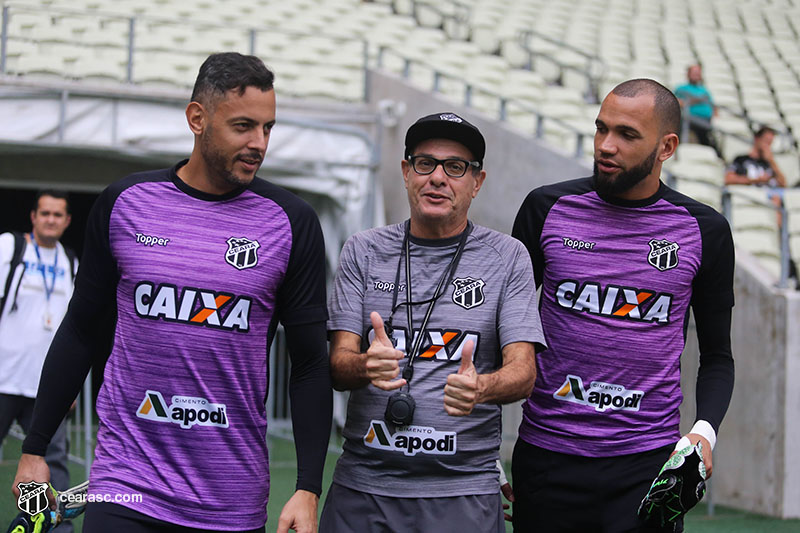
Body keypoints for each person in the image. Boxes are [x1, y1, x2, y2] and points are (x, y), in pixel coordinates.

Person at [11, 52, 332, 533]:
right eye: (243, 126)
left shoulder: (290, 222)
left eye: (267, 128)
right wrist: (35, 449)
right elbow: (82, 329)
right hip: (125, 480)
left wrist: (308, 487)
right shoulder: (125, 203)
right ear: (197, 118)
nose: (258, 143)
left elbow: (309, 362)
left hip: (231, 497)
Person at [512, 79, 735, 532]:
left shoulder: (703, 230)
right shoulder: (545, 207)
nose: (606, 146)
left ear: (666, 146)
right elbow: (501, 330)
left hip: (646, 468)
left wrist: (703, 432)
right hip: (546, 460)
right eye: (601, 129)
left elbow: (717, 357)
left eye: (627, 134)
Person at [320, 112, 546, 531]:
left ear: (476, 182)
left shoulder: (508, 257)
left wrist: (481, 387)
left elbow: (524, 373)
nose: (438, 177)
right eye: (425, 163)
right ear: (407, 172)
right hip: (365, 490)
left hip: (461, 492)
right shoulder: (363, 251)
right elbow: (337, 365)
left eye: (455, 167)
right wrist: (366, 365)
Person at [1, 190, 77, 533]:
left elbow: (76, 330)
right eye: (45, 213)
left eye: (57, 215)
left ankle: (53, 528)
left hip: (47, 387)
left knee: (53, 465)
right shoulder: (9, 247)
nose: (50, 219)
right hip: (2, 377)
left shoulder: (71, 262)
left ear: (67, 221)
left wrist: (71, 384)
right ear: (33, 216)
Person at [674, 64, 721, 157]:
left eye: (698, 73)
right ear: (688, 74)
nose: (696, 75)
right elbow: (675, 101)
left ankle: (716, 154)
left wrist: (715, 115)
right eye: (694, 73)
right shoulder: (681, 88)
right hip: (690, 118)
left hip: (706, 120)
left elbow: (712, 105)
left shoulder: (704, 90)